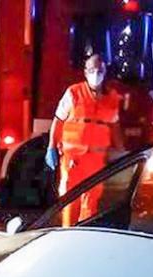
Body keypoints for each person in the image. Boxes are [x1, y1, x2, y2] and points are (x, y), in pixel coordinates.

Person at [46, 52, 123, 227]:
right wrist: (51, 146)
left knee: (91, 200)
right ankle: (68, 233)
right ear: (85, 71)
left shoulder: (111, 98)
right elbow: (58, 119)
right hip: (74, 158)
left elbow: (115, 124)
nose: (96, 73)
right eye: (92, 69)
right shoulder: (73, 92)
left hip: (96, 160)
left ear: (105, 71)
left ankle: (85, 233)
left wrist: (121, 150)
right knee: (70, 198)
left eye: (100, 70)